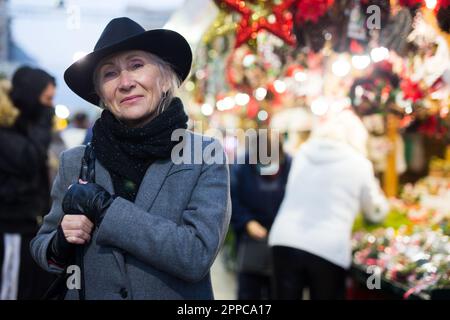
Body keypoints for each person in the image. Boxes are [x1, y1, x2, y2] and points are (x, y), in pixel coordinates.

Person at [30, 17, 231, 300]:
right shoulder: (75, 161)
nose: (125, 83)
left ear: (164, 79)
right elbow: (42, 248)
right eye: (109, 74)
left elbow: (195, 255)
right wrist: (60, 242)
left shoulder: (204, 155)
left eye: (137, 65)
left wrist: (106, 209)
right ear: (100, 93)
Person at [268, 110, 389, 300]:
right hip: (328, 248)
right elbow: (374, 211)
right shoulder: (359, 163)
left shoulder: (302, 153)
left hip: (284, 240)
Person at [0, 66, 57, 300]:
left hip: (28, 227)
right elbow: (29, 159)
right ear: (32, 95)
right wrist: (44, 122)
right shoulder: (5, 132)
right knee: (11, 290)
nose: (50, 106)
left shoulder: (23, 127)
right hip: (11, 228)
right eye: (47, 99)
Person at [230, 132, 291, 299]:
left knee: (278, 291)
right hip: (249, 239)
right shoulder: (241, 165)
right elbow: (231, 199)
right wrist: (247, 222)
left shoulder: (290, 164)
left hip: (281, 239)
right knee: (248, 293)